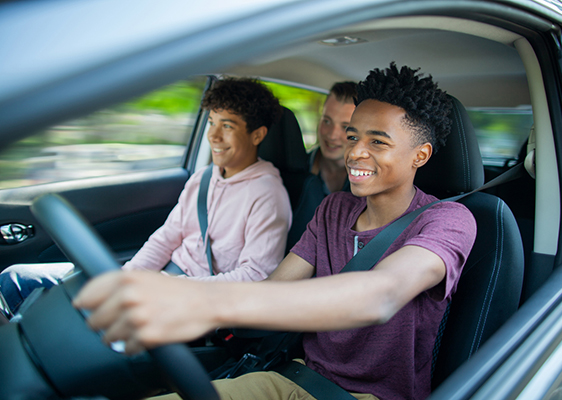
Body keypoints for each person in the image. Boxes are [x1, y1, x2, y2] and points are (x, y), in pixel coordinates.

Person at [74, 63, 477, 400]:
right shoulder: (334, 208)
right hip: (294, 377)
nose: (354, 151)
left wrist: (204, 300)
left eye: (378, 142)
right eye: (353, 136)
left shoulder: (448, 221)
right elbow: (275, 287)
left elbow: (381, 296)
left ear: (420, 155)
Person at [0, 77, 292, 314]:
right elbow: (167, 236)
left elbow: (257, 274)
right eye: (212, 122)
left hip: (192, 302)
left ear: (257, 135)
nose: (213, 136)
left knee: (65, 320)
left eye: (227, 126)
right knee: (15, 279)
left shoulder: (268, 195)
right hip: (162, 280)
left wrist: (176, 289)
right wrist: (129, 277)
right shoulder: (204, 178)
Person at [309, 81, 357, 194]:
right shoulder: (295, 171)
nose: (332, 135)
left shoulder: (369, 183)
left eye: (345, 127)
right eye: (327, 121)